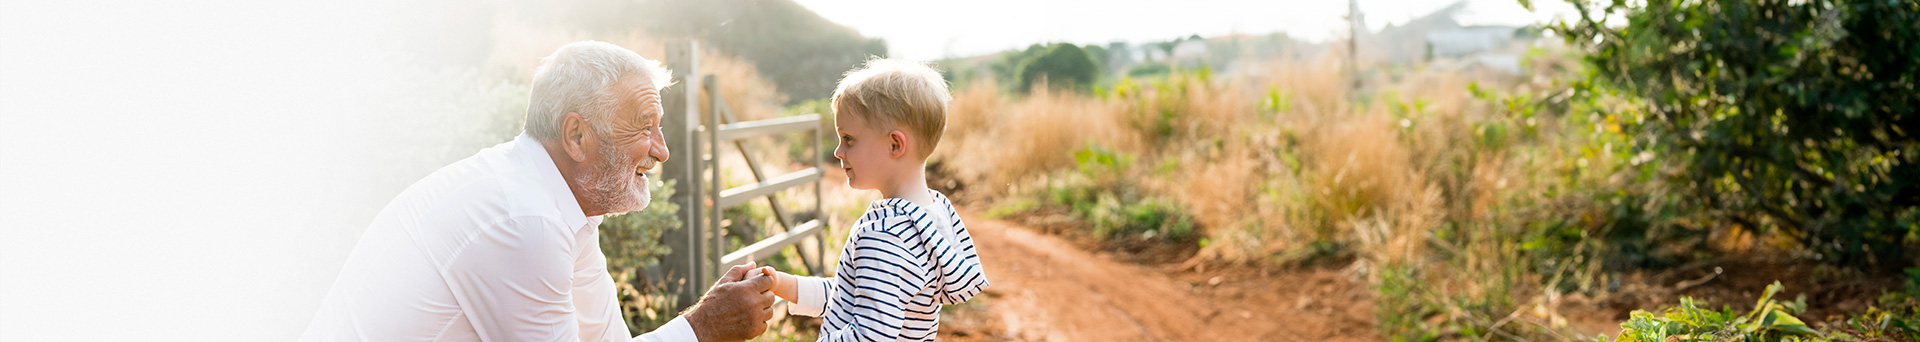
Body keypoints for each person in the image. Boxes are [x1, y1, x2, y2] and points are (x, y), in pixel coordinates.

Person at [301, 41, 775, 342]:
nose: (662, 150)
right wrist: (702, 327)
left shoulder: (563, 209)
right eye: (644, 128)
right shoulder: (524, 220)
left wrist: (702, 326)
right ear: (576, 137)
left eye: (661, 128)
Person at [756, 58, 990, 341]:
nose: (838, 152)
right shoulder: (934, 215)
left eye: (849, 139)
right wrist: (783, 284)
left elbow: (868, 335)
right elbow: (855, 296)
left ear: (895, 144)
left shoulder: (884, 235)